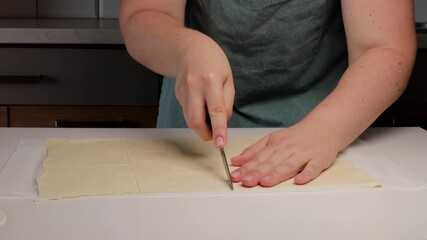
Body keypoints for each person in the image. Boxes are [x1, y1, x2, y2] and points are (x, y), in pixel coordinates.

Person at [119, 0, 416, 187]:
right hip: (191, 137)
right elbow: (145, 13)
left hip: (329, 131)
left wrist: (323, 131)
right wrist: (185, 49)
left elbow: (384, 48)